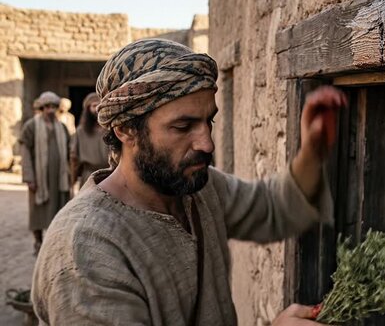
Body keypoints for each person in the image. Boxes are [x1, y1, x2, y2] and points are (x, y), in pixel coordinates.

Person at [31, 39, 346, 325]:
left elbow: (276, 208)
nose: (207, 143)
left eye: (208, 120)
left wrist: (313, 149)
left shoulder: (200, 189)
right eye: (183, 126)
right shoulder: (85, 251)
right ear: (125, 130)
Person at [19, 91, 70, 254]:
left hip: (58, 176)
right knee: (38, 209)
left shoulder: (61, 127)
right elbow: (25, 152)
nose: (50, 110)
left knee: (59, 206)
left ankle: (54, 241)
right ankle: (38, 241)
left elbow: (69, 151)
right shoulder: (31, 126)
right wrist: (29, 177)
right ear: (41, 107)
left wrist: (70, 173)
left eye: (53, 106)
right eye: (47, 106)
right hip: (39, 177)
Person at [70, 92, 110, 187]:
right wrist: (73, 178)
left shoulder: (111, 129)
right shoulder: (81, 131)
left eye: (99, 105)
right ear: (87, 109)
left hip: (110, 175)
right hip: (89, 176)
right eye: (94, 105)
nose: (97, 109)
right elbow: (74, 157)